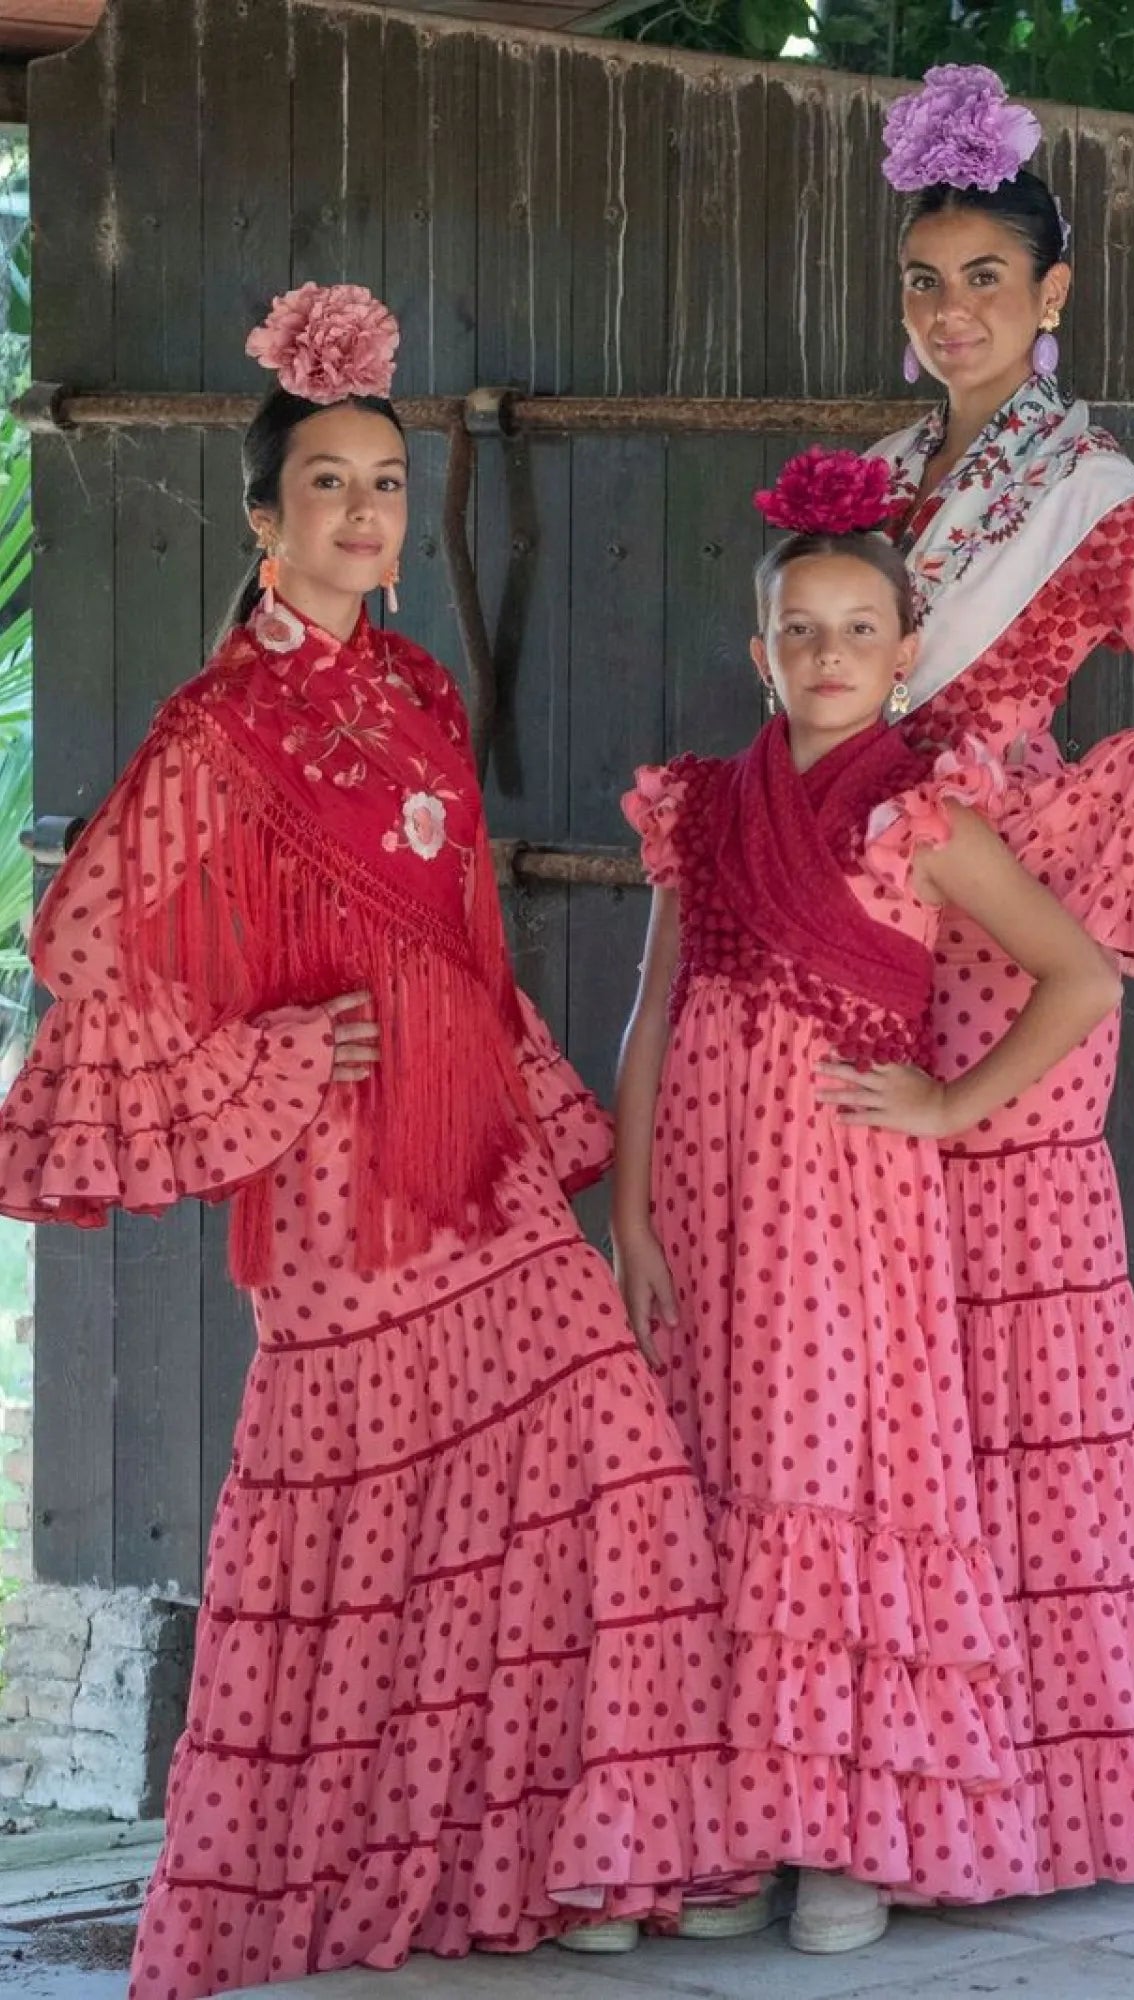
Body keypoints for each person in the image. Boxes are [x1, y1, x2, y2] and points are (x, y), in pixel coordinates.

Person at [0, 283, 739, 1997]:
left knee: (599, 1448)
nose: (361, 510)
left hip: (469, 1142)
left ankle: (579, 1854)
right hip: (336, 1180)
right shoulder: (215, 726)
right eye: (325, 483)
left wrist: (502, 1089)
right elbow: (85, 940)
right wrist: (265, 1054)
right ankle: (354, 1882)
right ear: (264, 520)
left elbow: (463, 931)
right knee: (380, 1513)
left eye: (386, 483)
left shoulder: (416, 681)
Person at [867, 66, 1134, 1890]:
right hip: (871, 910)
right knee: (890, 1335)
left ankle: (1050, 1797)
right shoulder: (881, 478)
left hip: (1011, 941)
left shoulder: (1090, 489)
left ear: (1053, 294)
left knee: (1022, 1351)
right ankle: (906, 1784)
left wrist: (1047, 823)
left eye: (988, 278)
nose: (953, 310)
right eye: (926, 281)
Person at [613, 446, 1123, 1953]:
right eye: (800, 631)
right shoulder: (701, 808)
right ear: (759, 651)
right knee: (710, 1471)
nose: (827, 655)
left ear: (906, 654)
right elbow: (651, 1014)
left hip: (844, 1202)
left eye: (857, 631)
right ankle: (726, 1833)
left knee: (832, 1469)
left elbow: (1081, 978)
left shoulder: (924, 815)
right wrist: (629, 1216)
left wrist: (953, 1106)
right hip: (701, 1189)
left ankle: (848, 1837)